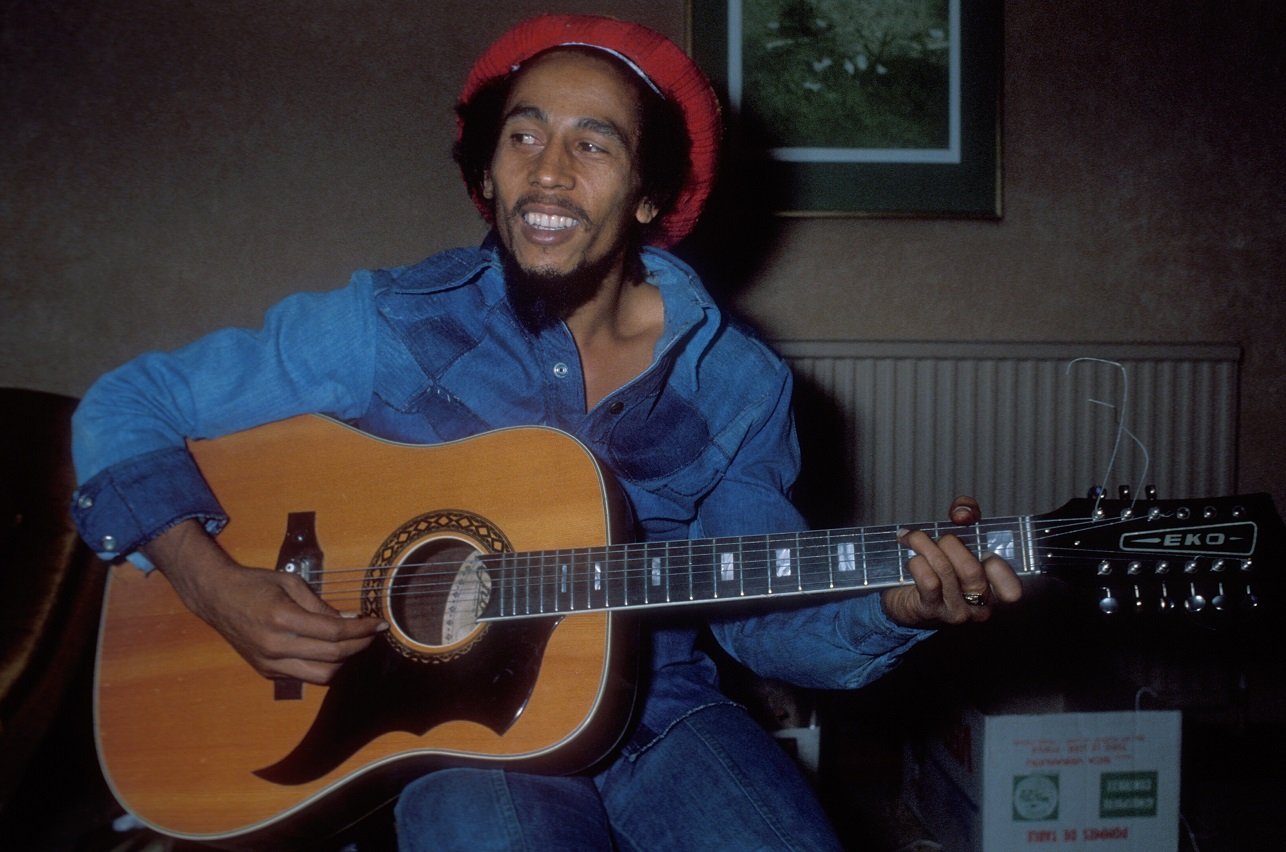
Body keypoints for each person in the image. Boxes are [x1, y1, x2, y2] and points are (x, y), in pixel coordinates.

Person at [70, 14, 1022, 850]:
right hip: (447, 729)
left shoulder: (737, 382)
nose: (549, 169)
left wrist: (893, 609)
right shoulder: (391, 323)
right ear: (488, 173)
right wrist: (212, 584)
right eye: (523, 136)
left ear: (650, 198)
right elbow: (125, 402)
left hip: (664, 712)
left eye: (593, 144)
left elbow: (758, 617)